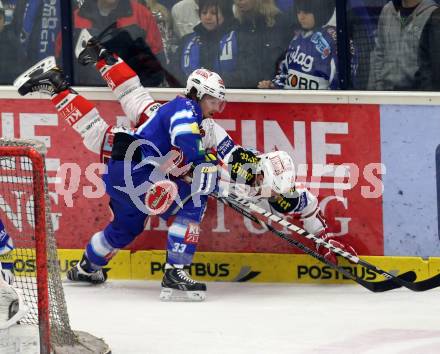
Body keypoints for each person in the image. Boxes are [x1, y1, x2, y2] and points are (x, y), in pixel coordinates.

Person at [15, 40, 226, 302]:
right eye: (214, 101)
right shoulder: (186, 112)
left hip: (129, 167)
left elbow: (134, 95)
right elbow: (185, 145)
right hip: (135, 166)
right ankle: (58, 85)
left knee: (126, 227)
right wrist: (198, 169)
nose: (217, 108)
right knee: (99, 134)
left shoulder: (177, 111)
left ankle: (86, 267)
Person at [68, 0, 166, 87]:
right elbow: (64, 69)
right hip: (89, 99)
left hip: (132, 99)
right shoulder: (73, 20)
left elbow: (157, 69)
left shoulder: (141, 16)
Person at [258, 0, 343, 90]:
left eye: (306, 12)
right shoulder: (296, 38)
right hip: (292, 101)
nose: (301, 17)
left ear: (319, 11)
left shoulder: (333, 38)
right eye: (298, 12)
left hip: (318, 102)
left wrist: (329, 100)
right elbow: (285, 72)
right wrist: (273, 85)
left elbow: (339, 79)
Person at [367, 0, 437, 90]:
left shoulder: (432, 14)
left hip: (417, 96)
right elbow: (378, 54)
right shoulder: (387, 10)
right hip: (385, 93)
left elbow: (433, 64)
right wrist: (375, 90)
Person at [171, 0, 239, 87]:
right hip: (190, 94)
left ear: (225, 14)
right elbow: (173, 70)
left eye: (213, 13)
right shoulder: (186, 40)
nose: (208, 17)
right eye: (204, 12)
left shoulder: (239, 37)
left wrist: (213, 83)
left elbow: (247, 72)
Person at [234, 0, 292, 88]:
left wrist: (274, 83)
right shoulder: (237, 24)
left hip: (276, 92)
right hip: (242, 91)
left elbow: (290, 60)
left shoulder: (281, 23)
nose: (240, 1)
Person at [0, 2, 27, 84]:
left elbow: (19, 14)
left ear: (4, 20)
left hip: (12, 85)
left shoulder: (11, 33)